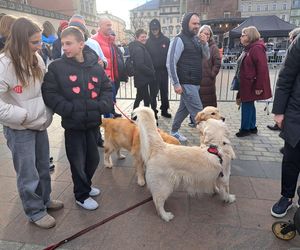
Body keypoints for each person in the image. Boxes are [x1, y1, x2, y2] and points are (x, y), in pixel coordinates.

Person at [0, 17, 63, 229]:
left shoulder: (36, 58)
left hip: (39, 124)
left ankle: (44, 201)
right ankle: (35, 211)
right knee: (28, 173)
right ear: (20, 41)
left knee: (43, 167)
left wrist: (46, 112)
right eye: (35, 42)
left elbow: (44, 89)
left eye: (39, 41)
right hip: (19, 129)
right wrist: (22, 116)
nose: (40, 45)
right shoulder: (5, 64)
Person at [42, 26, 113, 210]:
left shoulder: (94, 66)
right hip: (73, 125)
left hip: (92, 124)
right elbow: (49, 93)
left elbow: (106, 88)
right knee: (77, 161)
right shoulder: (57, 67)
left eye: (69, 43)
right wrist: (69, 108)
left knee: (93, 160)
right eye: (62, 43)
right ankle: (81, 195)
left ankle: (86, 186)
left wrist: (101, 105)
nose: (64, 47)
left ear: (81, 44)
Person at [166, 13, 210, 142]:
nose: (197, 26)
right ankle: (209, 141)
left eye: (198, 23)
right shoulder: (179, 39)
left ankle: (173, 132)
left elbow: (206, 57)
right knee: (200, 115)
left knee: (183, 110)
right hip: (186, 83)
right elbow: (170, 62)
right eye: (194, 23)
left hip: (195, 83)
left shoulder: (196, 40)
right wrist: (176, 83)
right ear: (186, 24)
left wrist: (204, 44)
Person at [271, 33, 300, 218]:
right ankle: (286, 196)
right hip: (296, 112)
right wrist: (279, 111)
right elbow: (286, 76)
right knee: (291, 158)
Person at [235, 26, 272, 137]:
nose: (241, 37)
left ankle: (245, 129)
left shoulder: (256, 48)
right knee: (249, 104)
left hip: (251, 83)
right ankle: (251, 127)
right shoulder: (249, 48)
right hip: (247, 82)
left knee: (246, 104)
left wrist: (259, 87)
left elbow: (262, 69)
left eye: (243, 34)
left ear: (250, 36)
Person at [267, 27, 300, 134]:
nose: (290, 40)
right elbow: (285, 78)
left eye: (291, 37)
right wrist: (279, 111)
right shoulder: (297, 44)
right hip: (295, 110)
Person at [188, 24, 221, 127]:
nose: (206, 35)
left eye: (208, 33)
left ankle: (211, 122)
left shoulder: (213, 47)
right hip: (196, 79)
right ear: (200, 33)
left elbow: (217, 63)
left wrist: (212, 74)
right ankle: (196, 121)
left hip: (208, 81)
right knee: (196, 101)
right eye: (204, 33)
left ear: (210, 35)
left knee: (208, 103)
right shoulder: (196, 44)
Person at [92, 17, 121, 118]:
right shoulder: (94, 40)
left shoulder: (110, 40)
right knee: (106, 103)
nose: (110, 27)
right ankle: (108, 124)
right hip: (103, 78)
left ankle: (111, 115)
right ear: (100, 26)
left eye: (110, 25)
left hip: (113, 76)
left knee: (111, 99)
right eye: (107, 25)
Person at [146, 19, 172, 118]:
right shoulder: (148, 42)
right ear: (150, 29)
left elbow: (170, 56)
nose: (154, 31)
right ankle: (153, 112)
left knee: (164, 92)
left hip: (164, 71)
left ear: (159, 28)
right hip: (153, 72)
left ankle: (164, 110)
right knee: (153, 93)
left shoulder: (166, 40)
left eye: (156, 29)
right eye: (153, 29)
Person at [129, 29, 156, 116]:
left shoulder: (139, 46)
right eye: (142, 37)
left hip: (142, 78)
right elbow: (140, 65)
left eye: (145, 36)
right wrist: (151, 72)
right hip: (142, 78)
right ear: (137, 38)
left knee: (139, 97)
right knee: (146, 99)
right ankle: (146, 117)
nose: (144, 38)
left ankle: (134, 115)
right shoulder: (138, 48)